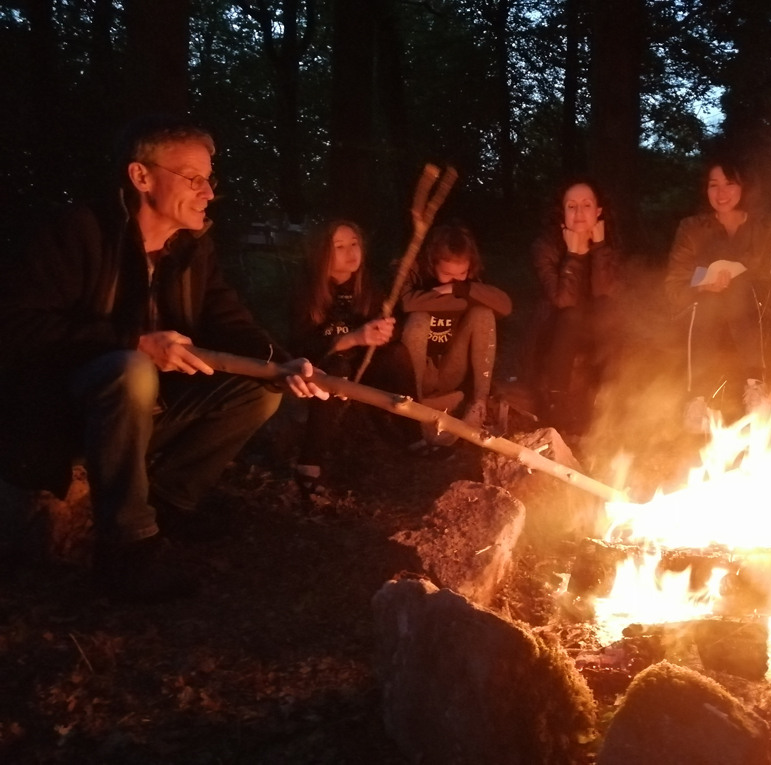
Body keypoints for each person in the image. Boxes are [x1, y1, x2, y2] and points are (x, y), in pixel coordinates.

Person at [0, 115, 327, 602]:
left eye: (209, 180)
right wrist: (134, 342)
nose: (209, 193)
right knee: (130, 369)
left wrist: (283, 363)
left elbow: (231, 321)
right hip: (64, 416)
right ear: (141, 176)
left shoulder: (191, 250)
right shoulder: (78, 233)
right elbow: (16, 326)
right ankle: (125, 552)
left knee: (259, 390)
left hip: (152, 411)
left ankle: (170, 499)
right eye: (194, 179)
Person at [289, 219, 417, 493]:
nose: (351, 252)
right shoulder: (306, 290)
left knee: (397, 353)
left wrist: (386, 332)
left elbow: (390, 327)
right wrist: (351, 339)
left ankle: (414, 434)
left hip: (363, 365)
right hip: (324, 364)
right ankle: (309, 461)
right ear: (322, 252)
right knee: (334, 367)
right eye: (340, 246)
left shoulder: (368, 285)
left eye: (354, 244)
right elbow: (301, 343)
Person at [664, 161, 771, 434]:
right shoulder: (692, 228)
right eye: (713, 185)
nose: (721, 193)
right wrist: (703, 283)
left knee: (738, 287)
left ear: (745, 187)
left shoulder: (768, 228)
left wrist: (741, 286)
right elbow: (675, 283)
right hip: (702, 312)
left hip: (751, 311)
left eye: (729, 183)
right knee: (710, 298)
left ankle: (756, 388)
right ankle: (697, 401)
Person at [400, 223, 511, 437]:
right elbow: (407, 304)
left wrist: (459, 289)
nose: (455, 280)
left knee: (483, 314)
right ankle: (417, 407)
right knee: (419, 318)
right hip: (418, 373)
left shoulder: (467, 283)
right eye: (447, 274)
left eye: (461, 273)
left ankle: (479, 403)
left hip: (450, 368)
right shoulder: (415, 273)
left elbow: (505, 305)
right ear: (433, 264)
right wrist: (463, 299)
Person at [530, 179, 623, 431]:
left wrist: (599, 248)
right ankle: (556, 405)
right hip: (554, 334)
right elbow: (563, 301)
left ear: (598, 212)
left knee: (609, 310)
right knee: (571, 315)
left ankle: (608, 402)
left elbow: (606, 292)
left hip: (594, 333)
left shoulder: (607, 245)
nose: (579, 213)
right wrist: (574, 255)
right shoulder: (546, 247)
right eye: (571, 206)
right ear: (562, 212)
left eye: (586, 205)